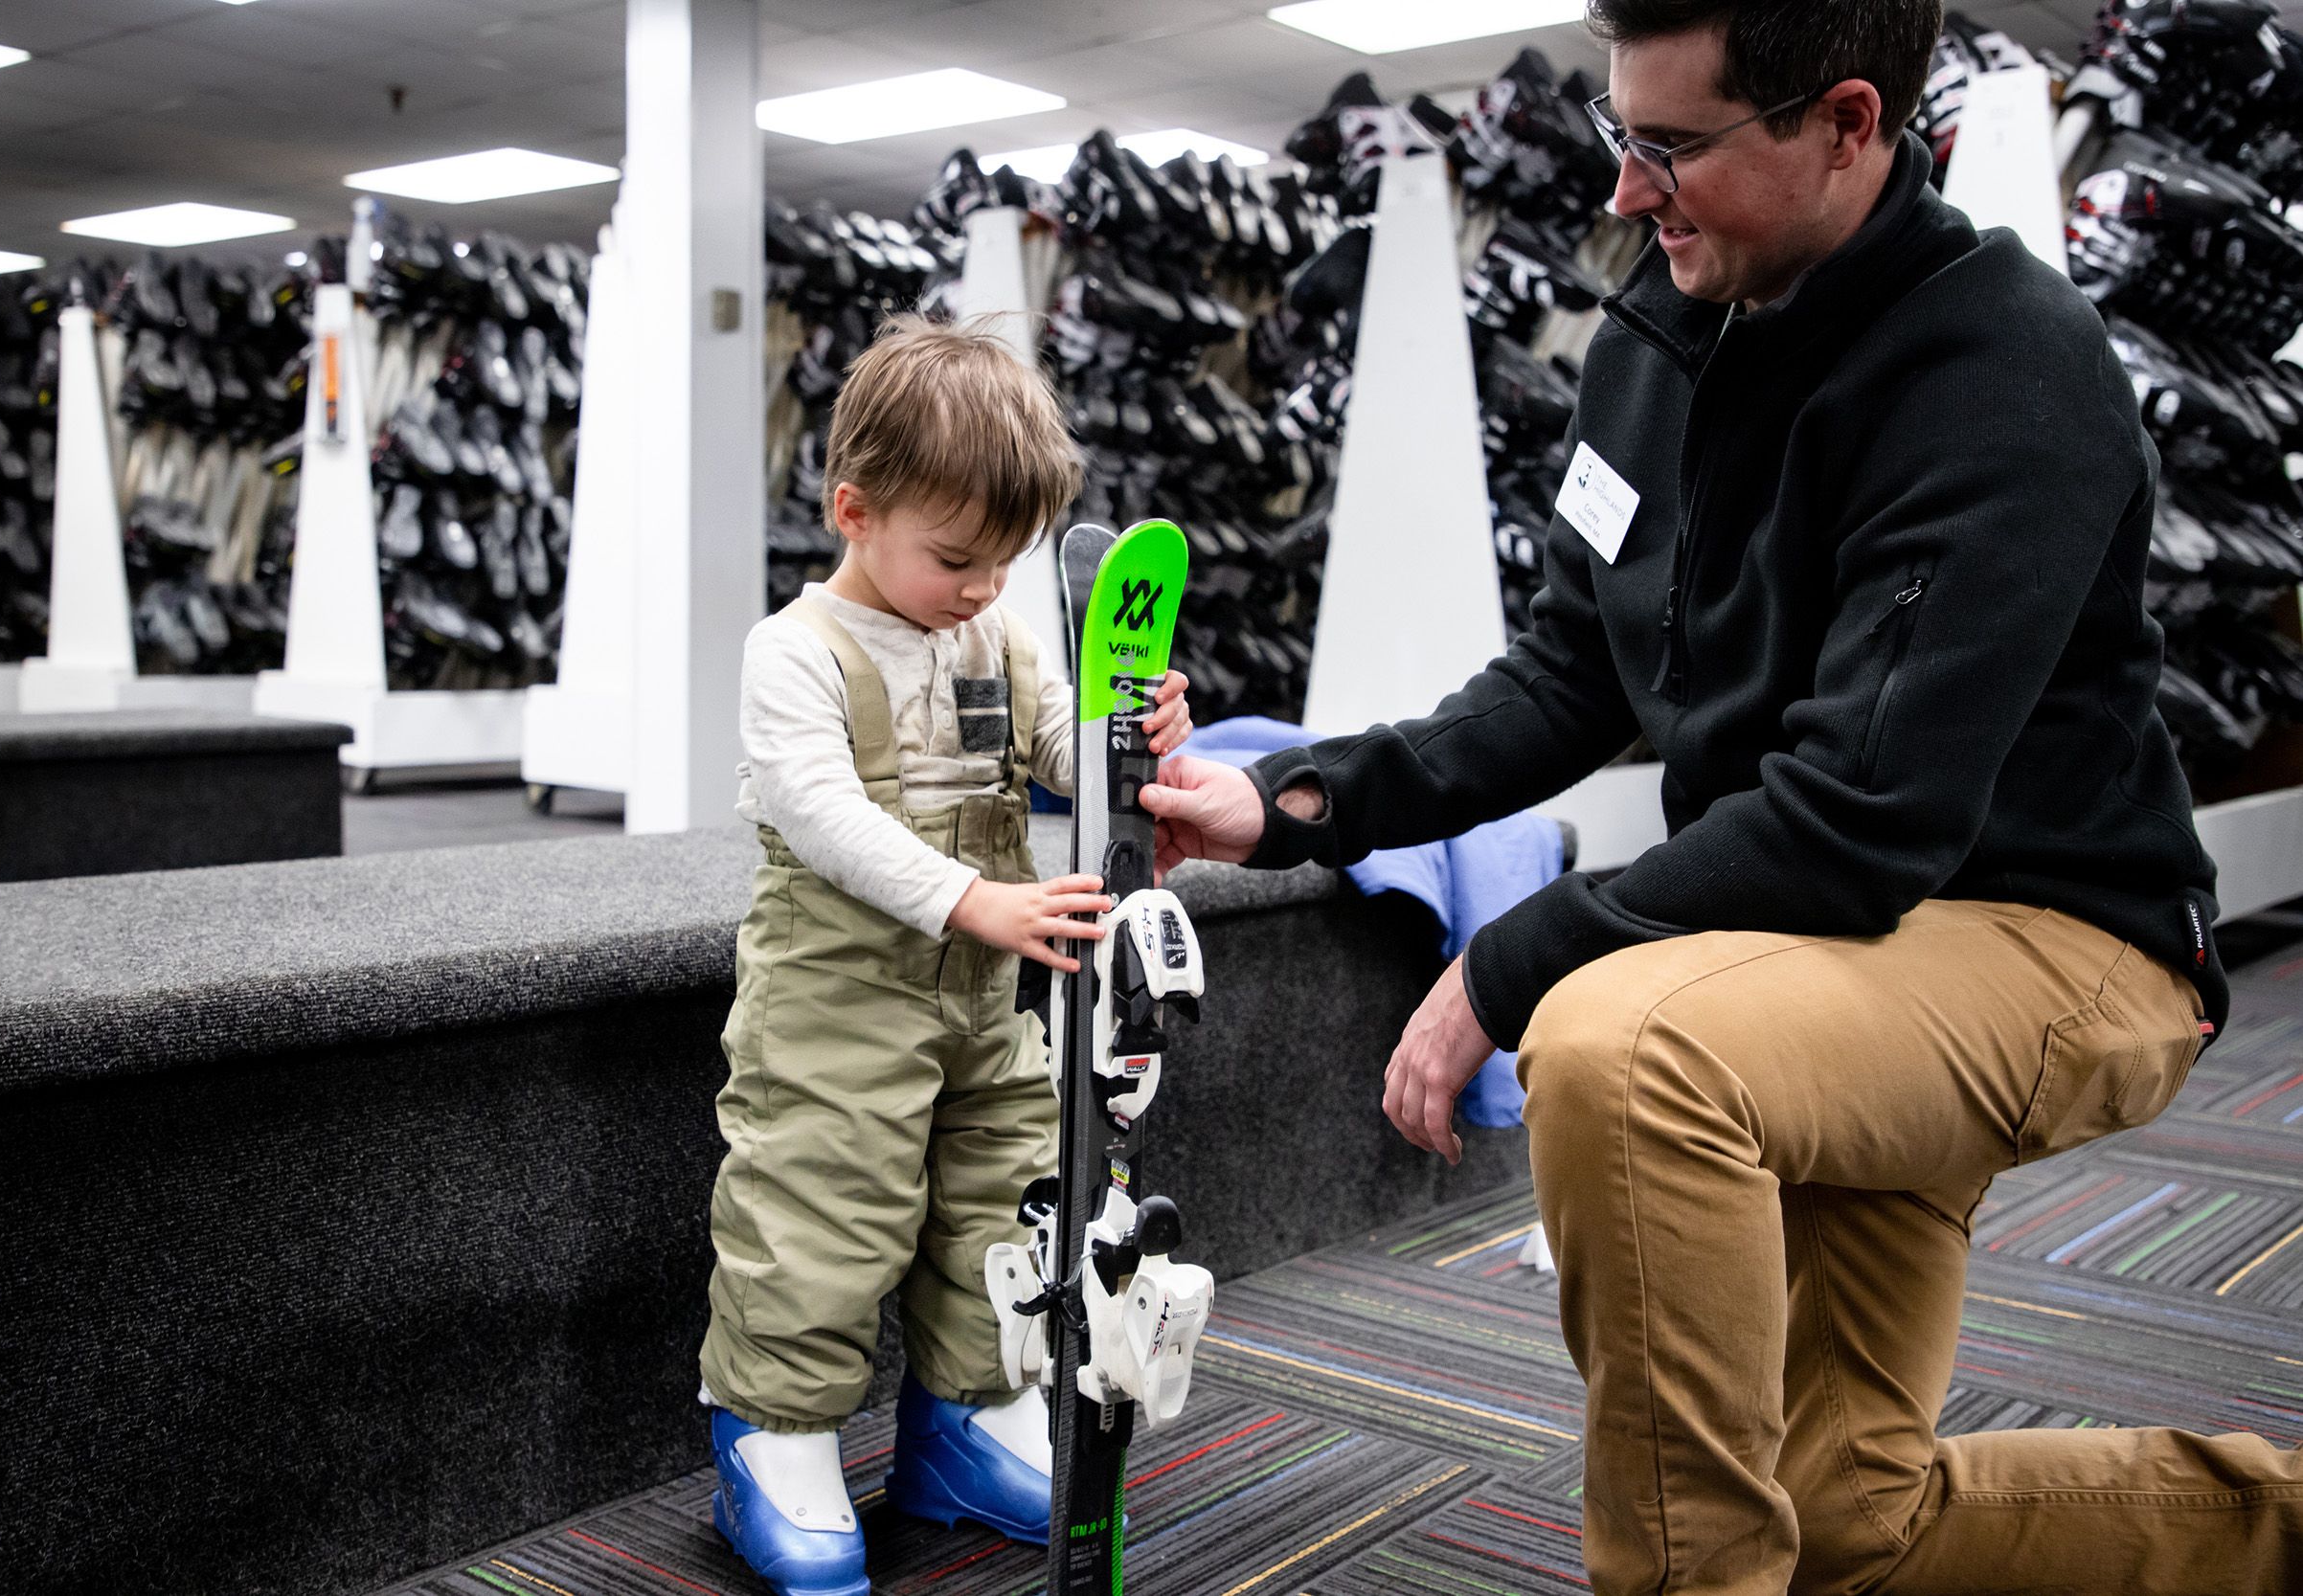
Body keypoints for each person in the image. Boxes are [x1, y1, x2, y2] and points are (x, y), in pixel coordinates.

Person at [1140, 3, 2301, 1592]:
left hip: (2048, 933)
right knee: (1848, 1525)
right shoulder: (1661, 336)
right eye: (1627, 138)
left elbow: (1863, 814)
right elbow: (1569, 674)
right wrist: (1296, 802)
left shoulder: (2007, 368)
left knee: (1626, 1051)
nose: (1626, 194)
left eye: (1672, 148)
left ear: (1844, 123)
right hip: (1815, 935)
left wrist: (1516, 955)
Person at [698, 315, 1191, 1596]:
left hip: (985, 1006)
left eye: (1004, 565)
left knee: (1007, 1204)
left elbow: (1074, 767)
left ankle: (967, 1422)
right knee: (820, 1214)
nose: (982, 589)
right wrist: (976, 898)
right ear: (854, 510)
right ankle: (777, 1437)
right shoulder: (794, 652)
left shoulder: (1000, 641)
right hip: (835, 1007)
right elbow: (821, 814)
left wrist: (1140, 738)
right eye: (957, 559)